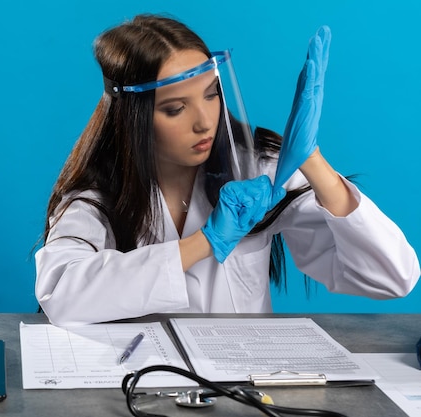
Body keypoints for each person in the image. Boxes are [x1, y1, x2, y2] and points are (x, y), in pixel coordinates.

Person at [34, 14, 420, 326]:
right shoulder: (96, 199)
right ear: (134, 117)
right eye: (175, 108)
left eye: (212, 94)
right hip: (148, 386)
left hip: (250, 385)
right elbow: (61, 295)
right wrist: (205, 242)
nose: (205, 122)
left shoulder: (256, 171)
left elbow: (392, 277)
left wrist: (312, 161)